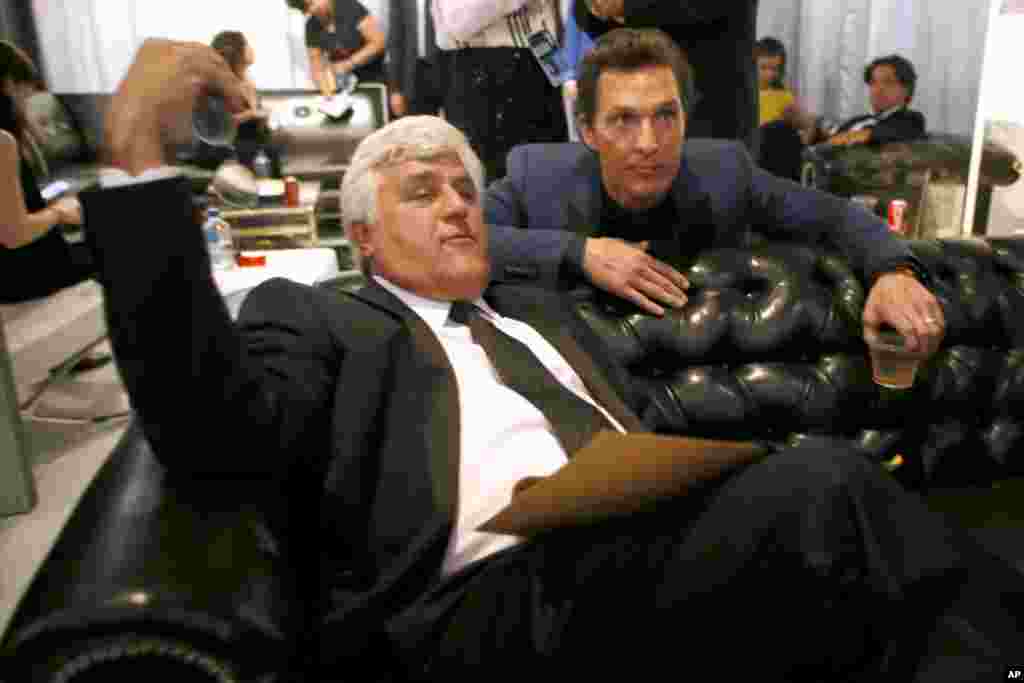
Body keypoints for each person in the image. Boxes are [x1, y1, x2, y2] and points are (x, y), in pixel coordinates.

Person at [83, 37, 1023, 680]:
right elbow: (210, 435)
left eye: (463, 185)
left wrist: (892, 268)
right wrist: (135, 158)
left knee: (855, 559)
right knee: (827, 487)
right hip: (476, 598)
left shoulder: (537, 314)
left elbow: (816, 218)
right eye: (423, 192)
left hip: (637, 557)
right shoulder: (326, 318)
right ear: (363, 237)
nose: (457, 204)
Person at [485, 28, 942, 360]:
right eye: (623, 120)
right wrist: (579, 252)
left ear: (686, 120)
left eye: (666, 116)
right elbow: (469, 237)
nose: (648, 142)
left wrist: (896, 271)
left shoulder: (724, 171)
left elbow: (837, 216)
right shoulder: (539, 175)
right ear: (587, 130)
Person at [576, 0, 759, 153]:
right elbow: (587, 15)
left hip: (709, 107)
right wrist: (597, 6)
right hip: (625, 100)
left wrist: (628, 6)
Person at [431, 0, 569, 182]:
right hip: (486, 68)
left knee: (550, 176)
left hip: (543, 54)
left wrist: (564, 72)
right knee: (498, 184)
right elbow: (458, 22)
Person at [0, 40, 91, 303]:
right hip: (25, 277)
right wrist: (57, 212)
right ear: (8, 84)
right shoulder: (3, 141)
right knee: (120, 249)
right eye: (25, 96)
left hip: (17, 271)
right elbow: (14, 235)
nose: (26, 105)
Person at [759, 54, 927, 181]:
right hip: (814, 165)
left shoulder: (911, 119)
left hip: (834, 173)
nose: (878, 89)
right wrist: (809, 125)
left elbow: (886, 134)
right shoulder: (860, 119)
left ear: (906, 90)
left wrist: (844, 138)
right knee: (776, 130)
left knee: (776, 134)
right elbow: (828, 138)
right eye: (873, 83)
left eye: (888, 82)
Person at [193, 31, 282, 176]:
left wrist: (261, 116)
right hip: (235, 150)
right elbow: (216, 125)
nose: (251, 48)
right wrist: (251, 114)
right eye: (246, 44)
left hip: (255, 145)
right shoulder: (219, 85)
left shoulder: (246, 79)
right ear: (237, 52)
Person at [285, 0, 386, 96]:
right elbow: (316, 67)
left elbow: (378, 42)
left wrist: (348, 64)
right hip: (344, 86)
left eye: (312, 2)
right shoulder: (311, 26)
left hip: (375, 78)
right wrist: (326, 93)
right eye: (306, 8)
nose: (312, 10)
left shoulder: (349, 6)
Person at [386, 0, 446, 117]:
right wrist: (395, 89)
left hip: (448, 68)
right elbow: (395, 41)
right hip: (414, 74)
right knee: (419, 130)